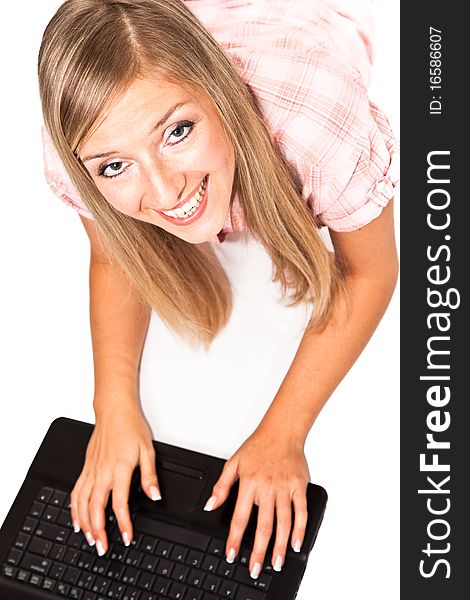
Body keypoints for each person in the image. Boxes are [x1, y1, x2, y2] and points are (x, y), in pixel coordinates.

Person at [38, 0, 399, 579]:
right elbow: (113, 253)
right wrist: (112, 409)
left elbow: (369, 271)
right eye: (115, 168)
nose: (164, 190)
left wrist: (283, 436)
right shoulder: (75, 153)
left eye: (177, 132)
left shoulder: (314, 124)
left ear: (219, 89)